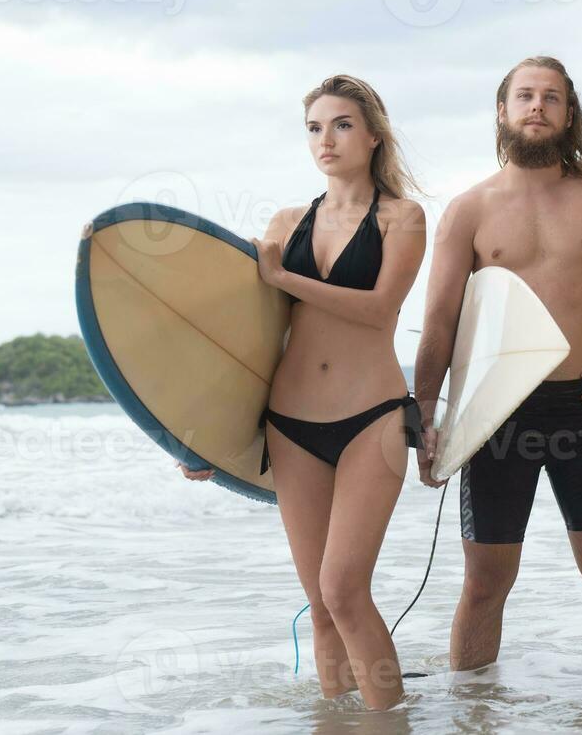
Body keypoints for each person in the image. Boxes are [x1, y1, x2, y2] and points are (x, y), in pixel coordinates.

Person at [179, 75, 426, 710]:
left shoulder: (403, 217)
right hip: (291, 425)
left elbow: (378, 311)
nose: (326, 139)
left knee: (345, 588)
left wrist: (284, 275)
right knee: (319, 607)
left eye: (341, 125)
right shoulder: (286, 223)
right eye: (314, 127)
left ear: (373, 135)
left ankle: (388, 725)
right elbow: (250, 341)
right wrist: (205, 435)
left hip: (373, 417)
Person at [413, 55, 582, 671]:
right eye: (524, 96)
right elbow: (440, 321)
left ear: (568, 113)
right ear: (502, 111)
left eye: (551, 98)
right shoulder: (468, 210)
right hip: (497, 410)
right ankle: (474, 712)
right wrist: (425, 415)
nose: (537, 108)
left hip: (580, 402)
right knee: (486, 579)